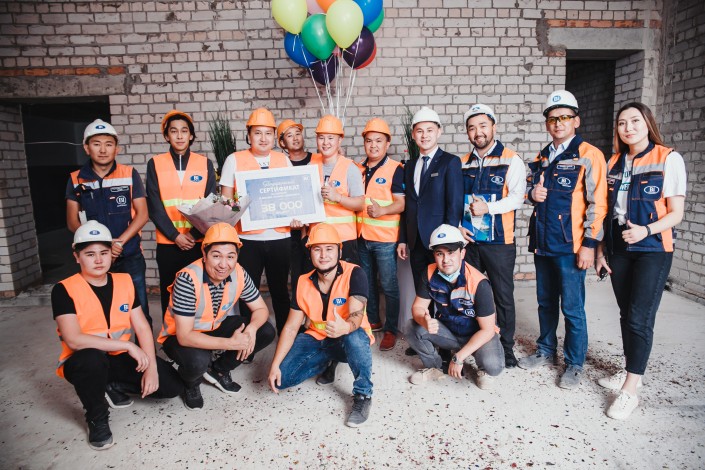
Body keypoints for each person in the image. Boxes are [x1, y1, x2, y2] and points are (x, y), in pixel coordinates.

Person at [51, 221, 182, 451]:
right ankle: (96, 416)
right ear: (77, 256)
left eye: (104, 253)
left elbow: (142, 327)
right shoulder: (64, 289)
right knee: (92, 360)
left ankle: (111, 384)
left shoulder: (124, 281)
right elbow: (73, 339)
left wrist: (150, 367)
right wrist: (131, 347)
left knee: (171, 387)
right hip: (84, 361)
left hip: (117, 357)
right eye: (90, 254)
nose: (99, 260)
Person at [595, 102, 686, 420]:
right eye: (622, 123)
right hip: (619, 247)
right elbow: (606, 212)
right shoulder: (614, 162)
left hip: (653, 248)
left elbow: (676, 213)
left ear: (648, 123)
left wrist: (646, 230)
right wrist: (601, 251)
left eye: (635, 121)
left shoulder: (668, 158)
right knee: (626, 314)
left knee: (639, 317)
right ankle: (630, 368)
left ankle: (630, 390)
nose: (628, 128)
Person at [519, 90, 608, 390]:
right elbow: (528, 190)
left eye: (565, 117)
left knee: (572, 307)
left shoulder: (589, 155)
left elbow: (598, 204)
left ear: (576, 121)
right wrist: (531, 194)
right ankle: (545, 350)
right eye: (553, 118)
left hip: (571, 246)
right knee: (545, 302)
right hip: (543, 242)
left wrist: (589, 245)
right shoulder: (542, 156)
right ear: (547, 123)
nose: (558, 123)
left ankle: (574, 363)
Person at [158, 223, 276, 410]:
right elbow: (184, 336)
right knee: (198, 362)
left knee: (266, 330)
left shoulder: (238, 272)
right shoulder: (188, 279)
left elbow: (261, 309)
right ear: (204, 255)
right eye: (216, 256)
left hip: (214, 325)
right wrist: (231, 343)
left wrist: (251, 330)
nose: (223, 264)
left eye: (230, 256)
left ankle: (218, 370)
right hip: (181, 336)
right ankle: (191, 383)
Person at [267, 223, 374, 427]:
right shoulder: (302, 281)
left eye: (329, 249)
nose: (323, 255)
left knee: (355, 337)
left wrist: (345, 327)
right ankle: (326, 362)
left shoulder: (355, 272)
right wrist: (274, 365)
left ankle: (363, 394)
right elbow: (290, 328)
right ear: (310, 253)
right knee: (282, 379)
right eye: (317, 249)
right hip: (316, 338)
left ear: (339, 251)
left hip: (346, 338)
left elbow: (356, 314)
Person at [459, 105, 527, 368]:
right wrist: (458, 225)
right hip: (471, 241)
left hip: (500, 241)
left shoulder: (511, 159)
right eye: (472, 127)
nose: (478, 132)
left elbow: (517, 198)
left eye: (483, 126)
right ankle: (473, 342)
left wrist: (488, 207)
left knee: (503, 296)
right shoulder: (462, 163)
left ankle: (506, 348)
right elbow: (456, 200)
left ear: (493, 127)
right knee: (470, 294)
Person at [66, 119, 152, 327]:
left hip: (129, 254)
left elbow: (142, 214)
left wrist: (119, 242)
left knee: (140, 309)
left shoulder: (129, 174)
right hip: (96, 257)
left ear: (117, 148)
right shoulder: (76, 179)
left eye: (108, 144)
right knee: (102, 310)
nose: (103, 150)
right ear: (87, 148)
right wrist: (101, 245)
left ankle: (146, 347)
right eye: (96, 144)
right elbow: (72, 221)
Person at [220, 108, 293, 334]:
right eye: (257, 133)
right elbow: (225, 201)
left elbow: (293, 196)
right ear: (249, 135)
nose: (263, 138)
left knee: (280, 290)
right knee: (246, 291)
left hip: (280, 237)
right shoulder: (234, 160)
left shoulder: (283, 160)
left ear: (275, 137)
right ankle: (246, 338)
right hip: (247, 238)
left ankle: (284, 336)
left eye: (268, 133)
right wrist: (240, 208)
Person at [406, 224, 504, 389]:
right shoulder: (429, 272)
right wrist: (423, 320)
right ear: (434, 255)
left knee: (493, 366)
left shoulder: (478, 282)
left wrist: (458, 358)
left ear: (462, 253)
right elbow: (417, 307)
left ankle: (481, 369)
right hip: (449, 332)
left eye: (451, 252)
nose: (445, 260)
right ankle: (434, 367)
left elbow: (487, 330)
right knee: (411, 327)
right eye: (440, 253)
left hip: (476, 334)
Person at [146, 110, 217, 314]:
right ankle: (170, 333)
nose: (179, 136)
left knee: (198, 291)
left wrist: (193, 235)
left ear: (191, 135)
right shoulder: (155, 164)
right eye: (174, 131)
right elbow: (154, 206)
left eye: (184, 131)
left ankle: (197, 330)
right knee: (169, 291)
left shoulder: (204, 163)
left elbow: (210, 204)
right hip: (168, 243)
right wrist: (175, 235)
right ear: (166, 136)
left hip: (197, 242)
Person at [397, 106, 463, 292]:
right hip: (415, 241)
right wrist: (403, 239)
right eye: (419, 131)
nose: (424, 135)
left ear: (439, 132)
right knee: (421, 288)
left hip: (440, 242)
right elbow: (408, 206)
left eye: (429, 130)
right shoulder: (409, 166)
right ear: (413, 135)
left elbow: (454, 204)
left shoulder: (450, 162)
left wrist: (448, 243)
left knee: (443, 289)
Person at [356, 118, 405, 351]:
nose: (373, 145)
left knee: (388, 285)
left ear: (387, 144)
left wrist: (383, 211)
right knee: (367, 283)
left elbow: (402, 203)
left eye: (378, 141)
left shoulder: (396, 169)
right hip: (362, 237)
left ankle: (391, 329)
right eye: (369, 141)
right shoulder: (357, 168)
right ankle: (373, 320)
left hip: (385, 239)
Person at [311, 114, 365, 265]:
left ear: (339, 140)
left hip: (344, 240)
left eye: (330, 138)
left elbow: (360, 204)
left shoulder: (350, 168)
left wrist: (338, 197)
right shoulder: (311, 167)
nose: (325, 143)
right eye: (321, 138)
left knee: (345, 279)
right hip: (318, 239)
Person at [278, 119, 313, 295]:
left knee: (314, 273)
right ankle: (297, 308)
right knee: (297, 274)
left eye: (298, 134)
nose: (295, 138)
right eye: (290, 136)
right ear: (282, 143)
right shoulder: (279, 164)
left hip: (314, 229)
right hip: (289, 230)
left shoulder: (317, 160)